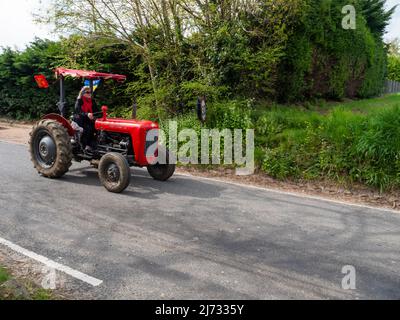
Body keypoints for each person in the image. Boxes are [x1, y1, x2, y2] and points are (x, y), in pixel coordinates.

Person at [74, 86, 99, 152]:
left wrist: (101, 115)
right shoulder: (80, 101)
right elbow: (78, 111)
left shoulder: (92, 101)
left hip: (91, 119)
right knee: (88, 128)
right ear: (83, 93)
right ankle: (84, 146)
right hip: (81, 119)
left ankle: (95, 145)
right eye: (87, 92)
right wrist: (87, 114)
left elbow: (96, 110)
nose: (89, 94)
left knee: (98, 128)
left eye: (90, 92)